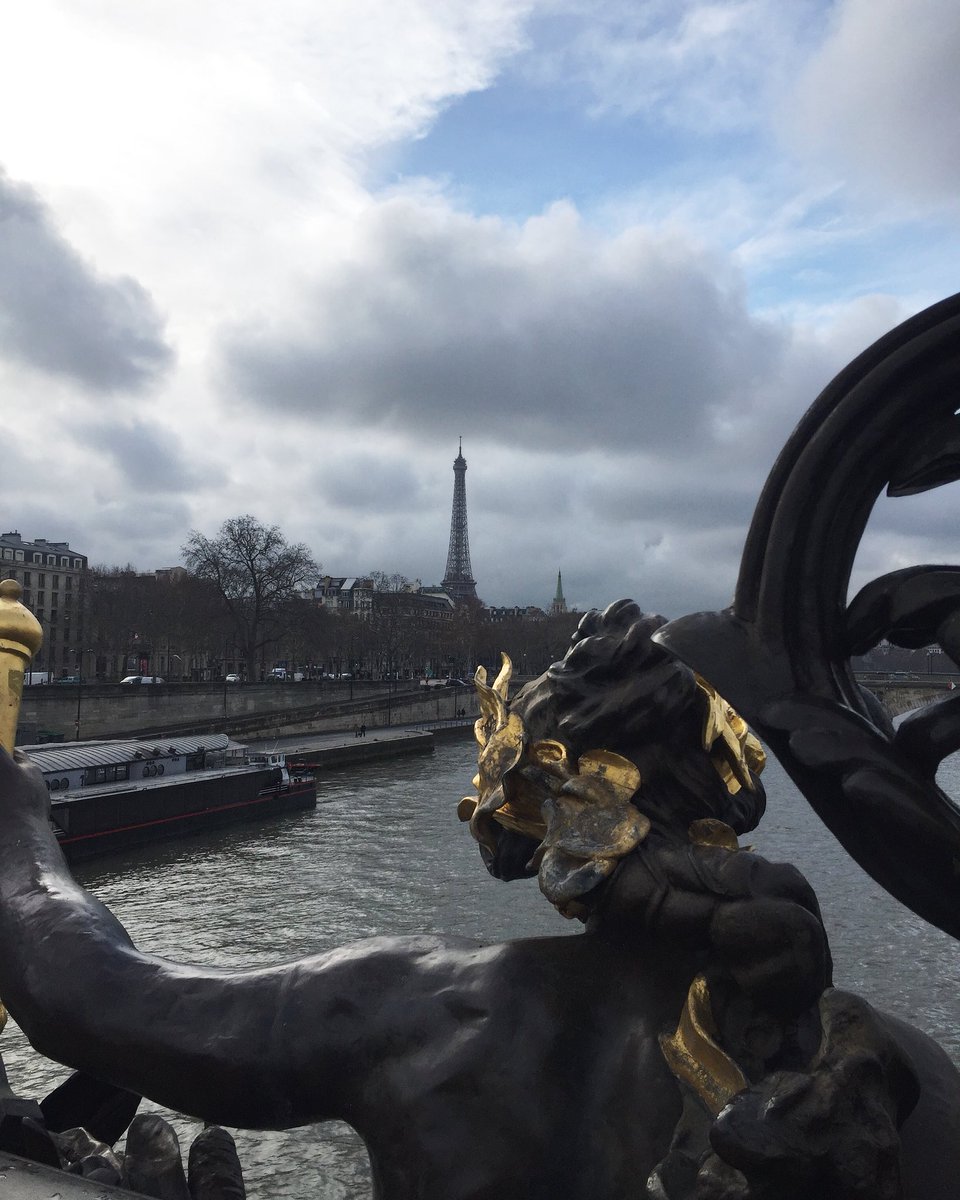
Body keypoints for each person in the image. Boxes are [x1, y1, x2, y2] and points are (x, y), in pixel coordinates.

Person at [0, 602, 958, 1199]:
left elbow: (86, 993)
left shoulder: (430, 1007)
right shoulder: (883, 1062)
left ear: (540, 808)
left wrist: (19, 823)